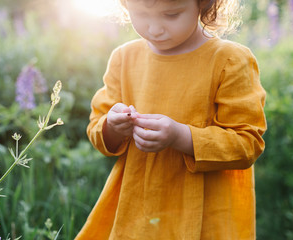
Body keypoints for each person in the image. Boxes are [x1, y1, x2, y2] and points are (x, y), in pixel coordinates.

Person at [76, 0, 267, 239]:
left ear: (203, 5)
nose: (155, 28)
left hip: (205, 214)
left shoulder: (229, 60)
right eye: (141, 14)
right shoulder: (124, 59)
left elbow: (247, 143)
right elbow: (97, 127)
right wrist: (113, 126)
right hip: (136, 211)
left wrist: (181, 136)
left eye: (171, 15)